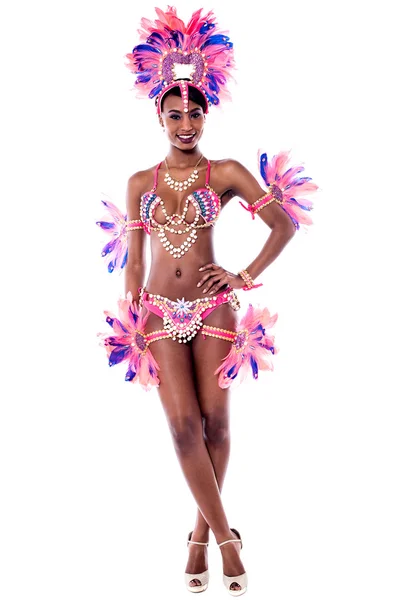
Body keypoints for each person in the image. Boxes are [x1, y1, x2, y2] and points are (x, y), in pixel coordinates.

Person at [96, 7, 317, 596]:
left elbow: (283, 225)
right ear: (159, 115)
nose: (187, 122)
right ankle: (227, 543)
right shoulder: (140, 182)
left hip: (214, 312)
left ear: (206, 112)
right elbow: (135, 261)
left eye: (195, 112)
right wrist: (132, 318)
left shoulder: (225, 172)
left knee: (216, 426)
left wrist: (242, 276)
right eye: (176, 114)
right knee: (181, 430)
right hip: (159, 319)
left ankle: (199, 534)